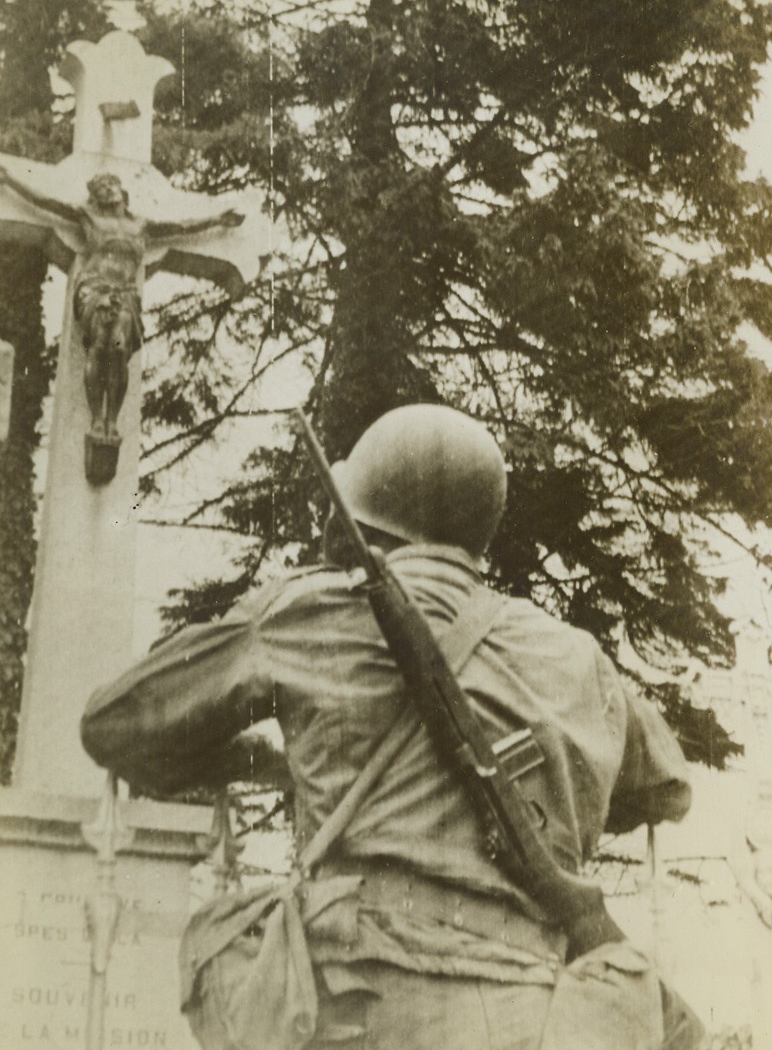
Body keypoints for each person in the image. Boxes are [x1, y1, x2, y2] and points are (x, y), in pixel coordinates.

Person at [81, 404, 696, 1050]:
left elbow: (115, 724)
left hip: (351, 1011)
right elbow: (665, 787)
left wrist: (254, 762)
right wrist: (538, 814)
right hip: (531, 1018)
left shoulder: (304, 612)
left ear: (367, 516)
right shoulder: (575, 657)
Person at [0, 167, 242, 442]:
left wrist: (217, 220)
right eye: (101, 188)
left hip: (125, 292)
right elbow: (46, 203)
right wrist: (11, 181)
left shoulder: (141, 225)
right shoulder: (88, 217)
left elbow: (182, 227)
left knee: (119, 347)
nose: (107, 191)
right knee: (100, 344)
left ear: (120, 190)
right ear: (96, 197)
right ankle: (96, 420)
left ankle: (111, 420)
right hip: (94, 288)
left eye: (110, 185)